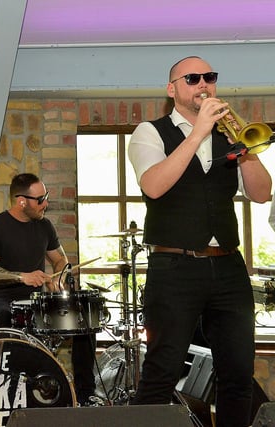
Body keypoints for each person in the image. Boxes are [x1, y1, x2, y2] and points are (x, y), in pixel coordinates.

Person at [128, 56, 272, 426]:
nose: (203, 83)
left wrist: (243, 149)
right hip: (174, 267)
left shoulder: (229, 135)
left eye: (210, 77)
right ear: (172, 89)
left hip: (227, 266)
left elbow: (261, 193)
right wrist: (197, 134)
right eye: (192, 78)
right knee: (162, 369)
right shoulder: (150, 131)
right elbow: (154, 186)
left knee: (238, 373)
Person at [0, 172, 97, 406]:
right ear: (22, 201)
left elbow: (60, 260)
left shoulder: (44, 226)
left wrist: (59, 276)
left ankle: (84, 394)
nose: (46, 203)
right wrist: (21, 277)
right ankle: (5, 394)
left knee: (82, 317)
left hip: (37, 300)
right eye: (41, 199)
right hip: (1, 299)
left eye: (46, 197)